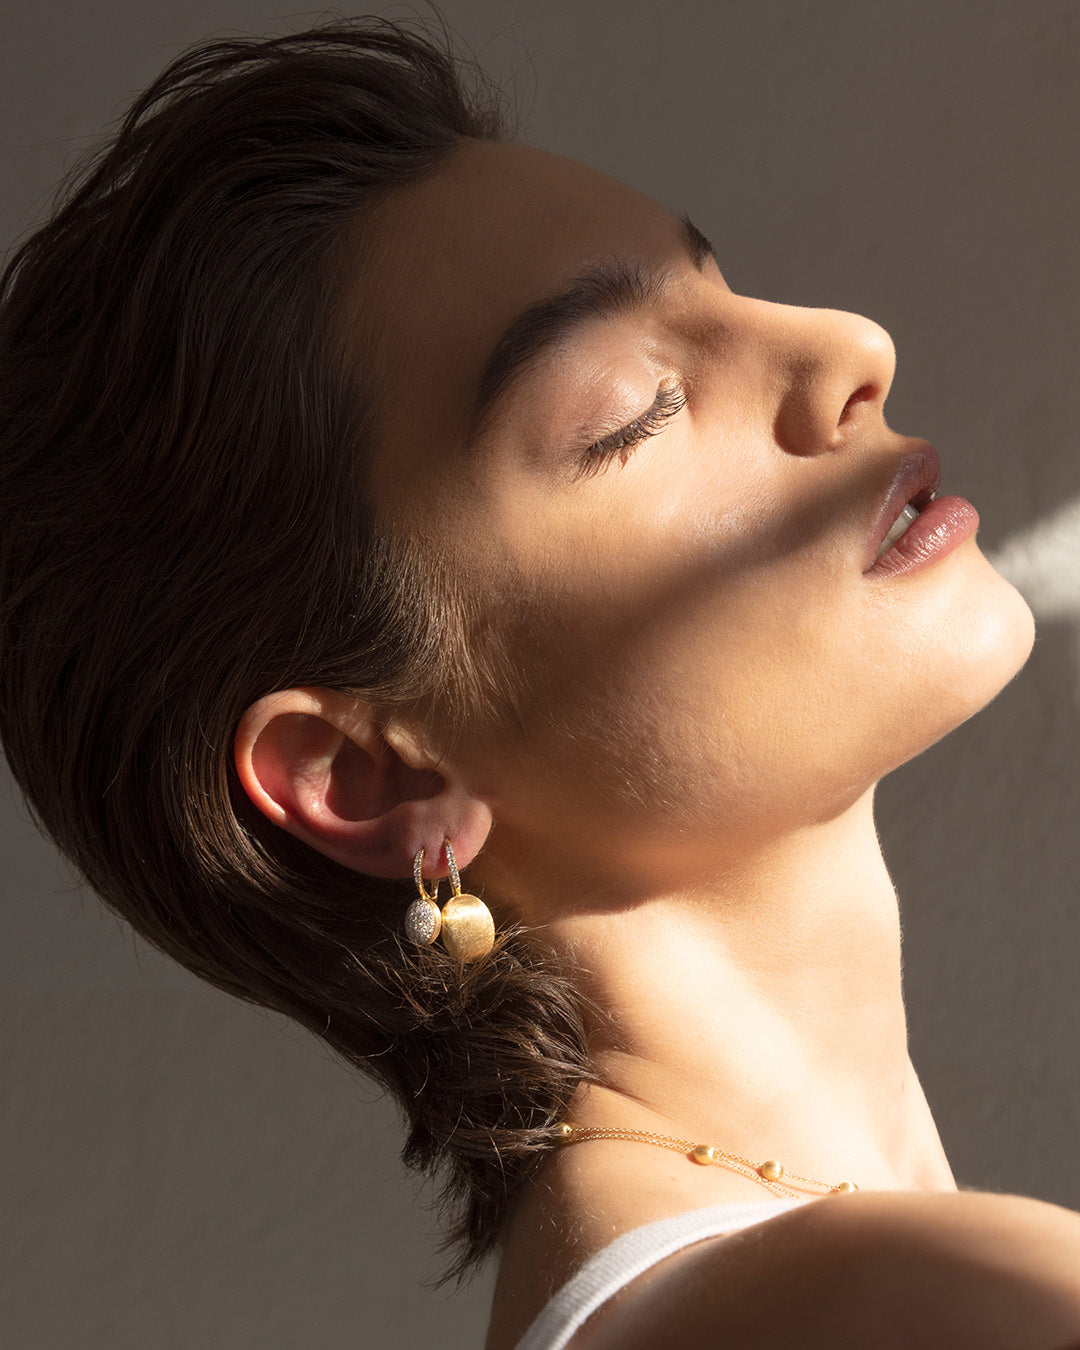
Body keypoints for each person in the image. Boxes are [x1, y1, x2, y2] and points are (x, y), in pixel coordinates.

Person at [2, 13, 1079, 1349]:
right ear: (369, 773)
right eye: (632, 408)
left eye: (722, 285)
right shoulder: (942, 1305)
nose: (850, 344)